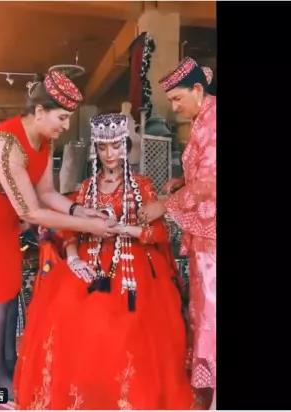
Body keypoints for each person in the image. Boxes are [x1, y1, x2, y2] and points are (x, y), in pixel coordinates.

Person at [13, 113, 193, 410]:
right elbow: (70, 230)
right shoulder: (87, 187)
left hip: (133, 262)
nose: (109, 154)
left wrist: (126, 229)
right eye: (103, 147)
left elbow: (159, 232)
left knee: (126, 325)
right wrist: (73, 259)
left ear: (126, 147)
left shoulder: (142, 185)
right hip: (89, 259)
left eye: (116, 146)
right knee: (63, 312)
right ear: (96, 149)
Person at [0, 71, 112, 398]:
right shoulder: (5, 143)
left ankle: (9, 363)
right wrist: (91, 227)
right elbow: (31, 212)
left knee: (10, 290)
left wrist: (80, 211)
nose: (66, 125)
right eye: (62, 117)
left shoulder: (45, 139)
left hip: (5, 221)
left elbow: (47, 193)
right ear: (39, 111)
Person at [138, 57, 216, 408]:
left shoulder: (214, 121)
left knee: (211, 313)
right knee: (202, 310)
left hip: (212, 236)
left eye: (176, 99)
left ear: (198, 89)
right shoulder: (203, 117)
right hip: (204, 234)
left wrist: (164, 205)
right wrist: (182, 181)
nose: (173, 107)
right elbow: (202, 173)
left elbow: (211, 182)